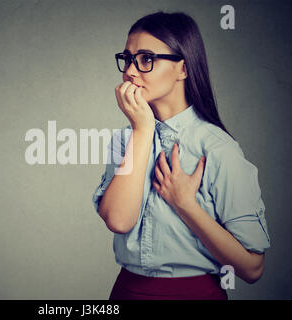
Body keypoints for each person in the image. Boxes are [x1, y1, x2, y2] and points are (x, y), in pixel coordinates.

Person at [91, 11, 270, 300]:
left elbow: (252, 268)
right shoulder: (126, 139)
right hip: (128, 291)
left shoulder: (217, 148)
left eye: (146, 59)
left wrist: (185, 204)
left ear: (182, 69)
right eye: (127, 58)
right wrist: (142, 130)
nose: (130, 72)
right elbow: (119, 220)